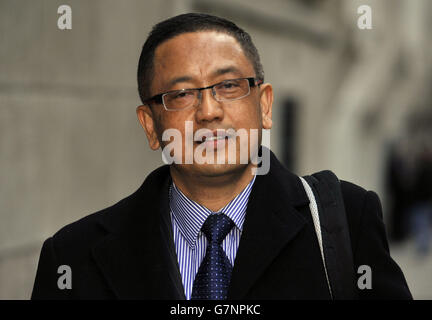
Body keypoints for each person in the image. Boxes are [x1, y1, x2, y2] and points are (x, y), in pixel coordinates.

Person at [31, 13, 412, 300]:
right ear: (150, 126)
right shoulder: (72, 257)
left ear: (264, 106)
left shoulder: (346, 220)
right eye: (181, 94)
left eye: (229, 86)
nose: (208, 111)